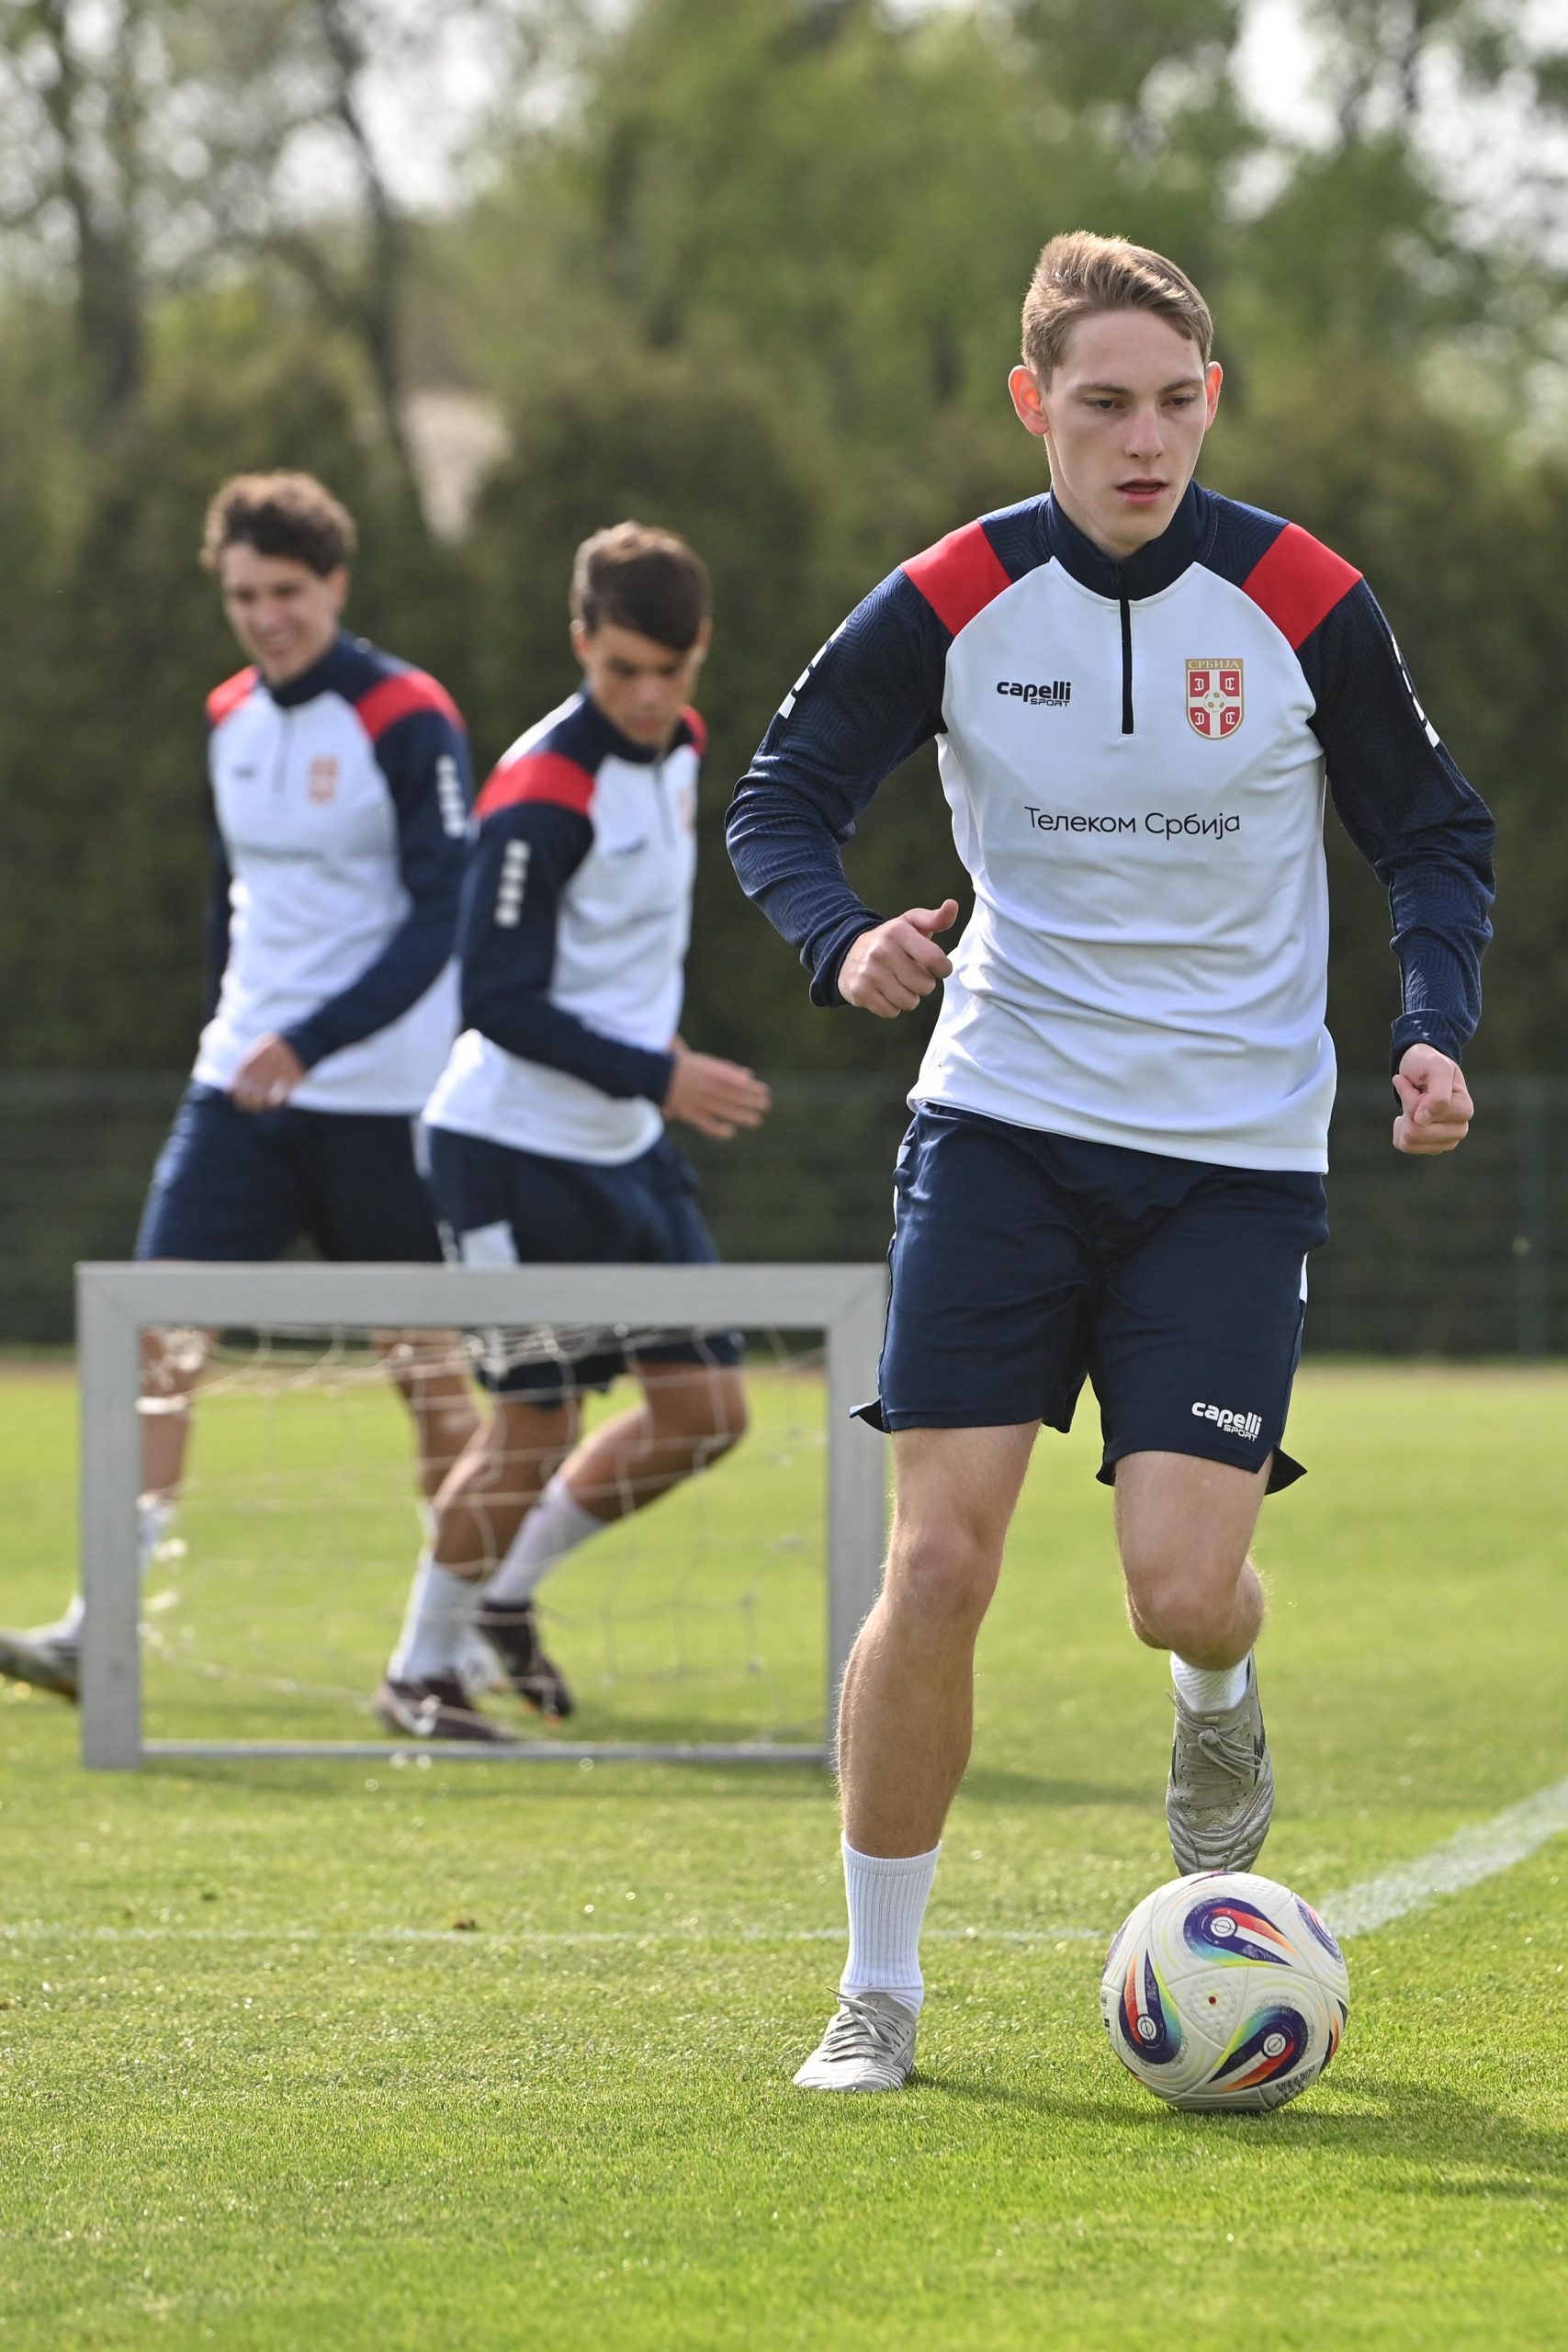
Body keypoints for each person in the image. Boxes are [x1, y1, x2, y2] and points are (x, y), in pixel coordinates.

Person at [727, 232, 1495, 2091]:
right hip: (997, 1123)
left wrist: (1431, 1022)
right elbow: (781, 799)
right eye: (1101, 405)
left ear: (1209, 400)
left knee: (1177, 1584)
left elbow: (1431, 830)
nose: (1142, 440)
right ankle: (877, 1993)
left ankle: (1214, 1684)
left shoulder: (1302, 594)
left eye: (1171, 403)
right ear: (1033, 405)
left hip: (1229, 1160)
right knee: (937, 1559)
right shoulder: (954, 594)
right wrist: (840, 938)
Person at [0, 470, 480, 1702]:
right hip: (240, 1089)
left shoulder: (407, 715)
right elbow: (235, 901)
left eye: (286, 591)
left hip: (384, 1097)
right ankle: (103, 1621)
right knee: (156, 1334)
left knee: (426, 1367)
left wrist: (314, 1040)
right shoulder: (227, 715)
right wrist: (246, 1035)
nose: (265, 616)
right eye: (243, 595)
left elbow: (444, 917)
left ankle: (457, 1628)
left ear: (335, 584)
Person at [375, 521, 772, 1743]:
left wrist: (649, 1076)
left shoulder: (685, 744)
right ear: (580, 644)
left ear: (700, 651)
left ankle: (507, 1592)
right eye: (621, 672)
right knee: (534, 1422)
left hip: (622, 1144)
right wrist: (663, 1073)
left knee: (708, 1415)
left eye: (671, 671)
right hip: (505, 1151)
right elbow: (494, 1000)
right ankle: (416, 1677)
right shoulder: (539, 793)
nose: (648, 697)